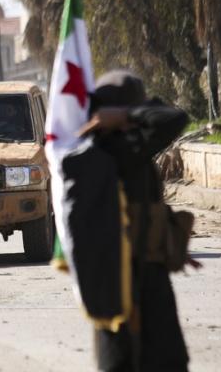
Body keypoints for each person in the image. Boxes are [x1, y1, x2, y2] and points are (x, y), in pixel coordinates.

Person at [79, 69, 199, 372]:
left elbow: (145, 206)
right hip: (119, 274)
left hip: (147, 268)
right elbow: (173, 118)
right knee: (123, 361)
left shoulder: (124, 146)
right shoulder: (112, 150)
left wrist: (171, 241)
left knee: (165, 359)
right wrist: (128, 113)